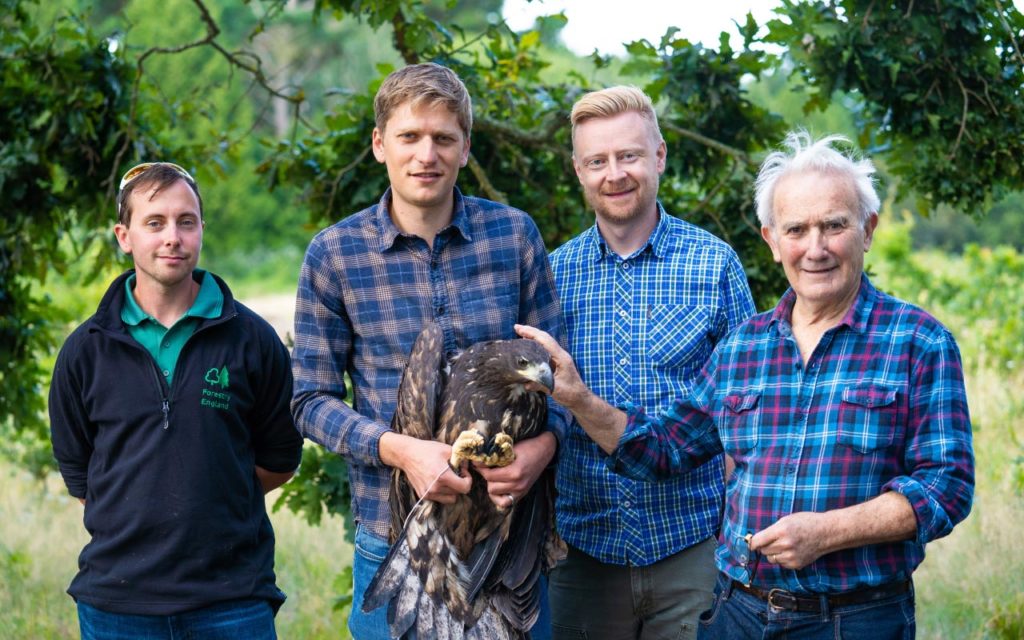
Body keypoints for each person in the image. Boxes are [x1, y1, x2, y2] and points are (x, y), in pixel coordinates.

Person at [519, 131, 975, 639]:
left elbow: (947, 487)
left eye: (834, 226)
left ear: (867, 230)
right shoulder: (743, 348)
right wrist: (578, 398)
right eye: (797, 229)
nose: (816, 248)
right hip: (738, 614)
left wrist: (826, 533)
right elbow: (661, 449)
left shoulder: (918, 341)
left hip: (854, 618)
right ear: (772, 241)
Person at [290, 62, 569, 639]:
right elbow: (308, 400)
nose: (427, 155)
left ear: (465, 148)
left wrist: (542, 448)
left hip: (508, 540)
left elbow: (560, 378)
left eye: (444, 138)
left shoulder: (514, 237)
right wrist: (402, 452)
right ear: (379, 145)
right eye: (409, 137)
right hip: (398, 539)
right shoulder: (335, 255)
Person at [49, 162, 304, 639]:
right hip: (118, 604)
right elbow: (82, 474)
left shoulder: (252, 340)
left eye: (186, 221)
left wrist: (213, 495)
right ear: (124, 236)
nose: (173, 237)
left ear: (202, 230)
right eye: (155, 223)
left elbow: (280, 460)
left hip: (232, 600)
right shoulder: (85, 351)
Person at [545, 85, 755, 640]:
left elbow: (746, 415)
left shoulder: (715, 265)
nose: (615, 173)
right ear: (578, 170)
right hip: (582, 552)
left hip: (692, 547)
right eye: (598, 160)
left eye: (629, 155)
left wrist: (734, 539)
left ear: (659, 156)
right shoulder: (551, 276)